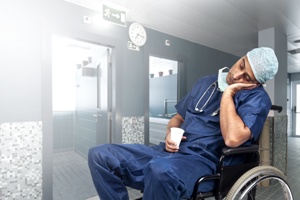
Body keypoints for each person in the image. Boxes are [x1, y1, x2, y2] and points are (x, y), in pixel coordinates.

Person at [88, 47, 279, 200]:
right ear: (242, 57)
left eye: (247, 78)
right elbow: (178, 118)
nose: (238, 76)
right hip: (168, 153)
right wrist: (171, 131)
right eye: (242, 65)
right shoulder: (206, 83)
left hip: (202, 163)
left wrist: (229, 93)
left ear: (256, 83)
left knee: (160, 170)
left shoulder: (257, 99)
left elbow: (232, 138)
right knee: (100, 155)